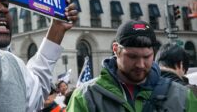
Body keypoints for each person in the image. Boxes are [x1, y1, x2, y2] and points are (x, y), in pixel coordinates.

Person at [67, 20, 197, 111]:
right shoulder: (85, 96)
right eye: (132, 56)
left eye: (147, 57)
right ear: (115, 50)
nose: (140, 64)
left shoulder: (182, 96)